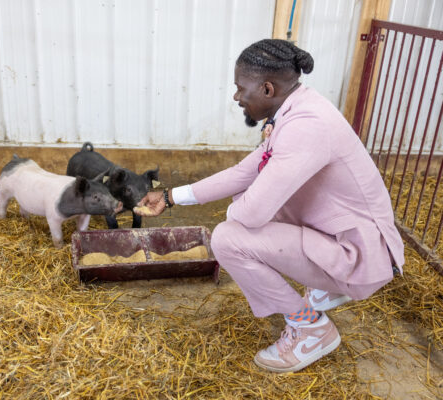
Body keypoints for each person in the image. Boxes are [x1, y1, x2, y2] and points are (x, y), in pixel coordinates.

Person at [136, 39, 404, 373]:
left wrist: (240, 205)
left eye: (240, 88)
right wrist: (172, 197)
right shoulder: (298, 108)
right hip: (351, 238)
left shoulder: (307, 127)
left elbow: (250, 212)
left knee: (229, 238)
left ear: (266, 88)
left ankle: (311, 329)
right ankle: (325, 288)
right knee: (254, 201)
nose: (236, 97)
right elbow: (245, 171)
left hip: (361, 258)